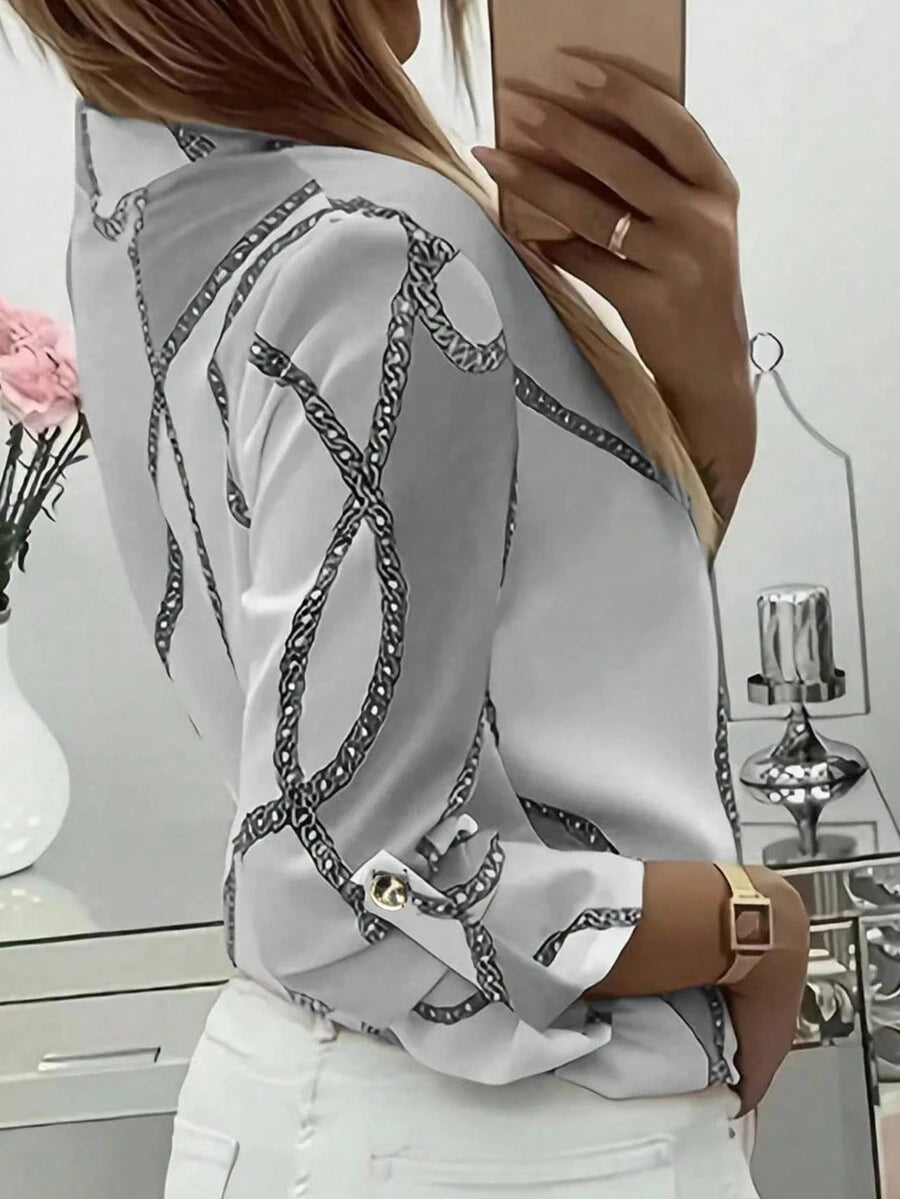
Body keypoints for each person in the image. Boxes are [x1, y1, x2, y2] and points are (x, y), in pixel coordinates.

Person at [8, 1, 810, 1195]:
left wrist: (702, 406)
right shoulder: (381, 246)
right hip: (517, 1127)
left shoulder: (146, 188)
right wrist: (748, 923)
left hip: (360, 1108)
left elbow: (539, 655)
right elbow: (345, 885)